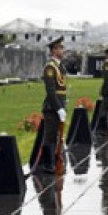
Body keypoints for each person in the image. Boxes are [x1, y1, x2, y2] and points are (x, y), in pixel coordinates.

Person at [38, 37, 67, 173]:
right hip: (51, 107)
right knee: (50, 135)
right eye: (60, 48)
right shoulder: (50, 67)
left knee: (56, 135)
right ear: (54, 50)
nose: (63, 50)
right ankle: (48, 164)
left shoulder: (59, 66)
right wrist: (58, 108)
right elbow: (50, 91)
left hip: (59, 105)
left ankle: (53, 162)